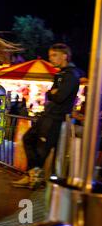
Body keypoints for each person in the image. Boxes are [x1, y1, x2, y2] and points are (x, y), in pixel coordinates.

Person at [13, 43, 82, 189]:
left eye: (54, 55)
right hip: (47, 115)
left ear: (64, 56)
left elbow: (59, 97)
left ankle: (34, 178)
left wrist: (52, 93)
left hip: (56, 118)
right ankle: (33, 175)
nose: (51, 58)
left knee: (42, 150)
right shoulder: (60, 74)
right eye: (50, 55)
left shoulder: (71, 74)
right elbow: (51, 93)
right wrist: (52, 93)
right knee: (28, 139)